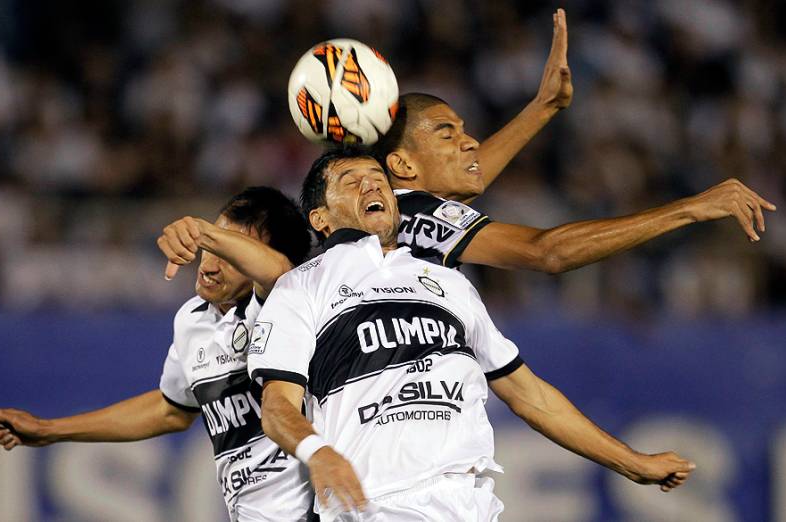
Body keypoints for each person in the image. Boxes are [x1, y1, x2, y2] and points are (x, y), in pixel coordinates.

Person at [247, 148, 695, 521]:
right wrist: (318, 454)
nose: (372, 185)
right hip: (374, 505)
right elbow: (276, 409)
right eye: (350, 179)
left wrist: (633, 463)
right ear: (321, 218)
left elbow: (530, 395)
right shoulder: (302, 286)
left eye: (377, 177)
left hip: (470, 505)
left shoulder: (450, 285)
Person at [0, 187, 315, 522]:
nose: (210, 265)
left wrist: (202, 230)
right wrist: (49, 430)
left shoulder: (284, 306)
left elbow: (277, 271)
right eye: (210, 247)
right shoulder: (192, 320)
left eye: (228, 253)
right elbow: (170, 410)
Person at [375, 9, 776, 272]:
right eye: (448, 134)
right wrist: (692, 208)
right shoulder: (414, 212)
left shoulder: (401, 218)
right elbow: (547, 252)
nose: (471, 143)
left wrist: (543, 107)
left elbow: (465, 175)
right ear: (403, 165)